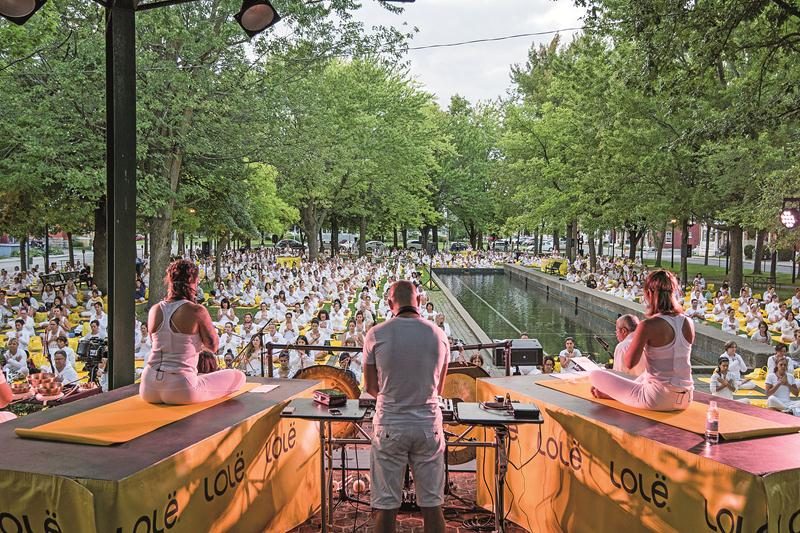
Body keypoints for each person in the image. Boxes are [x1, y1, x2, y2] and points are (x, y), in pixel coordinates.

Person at [363, 280, 449, 533]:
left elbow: (370, 387)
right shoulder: (438, 334)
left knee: (387, 506)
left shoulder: (376, 334)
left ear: (391, 304)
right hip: (428, 425)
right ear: (419, 301)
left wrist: (394, 396)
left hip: (390, 424)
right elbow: (439, 388)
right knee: (433, 505)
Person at [140, 259, 245, 405]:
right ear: (192, 283)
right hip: (182, 388)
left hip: (148, 387)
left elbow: (155, 342)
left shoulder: (155, 310)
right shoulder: (196, 310)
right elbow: (213, 346)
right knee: (238, 376)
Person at [590, 270, 694, 411]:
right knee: (647, 375)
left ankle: (616, 395)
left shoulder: (647, 325)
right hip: (686, 398)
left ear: (649, 294)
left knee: (595, 375)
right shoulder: (688, 322)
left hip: (657, 399)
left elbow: (629, 362)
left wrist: (633, 338)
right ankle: (620, 395)